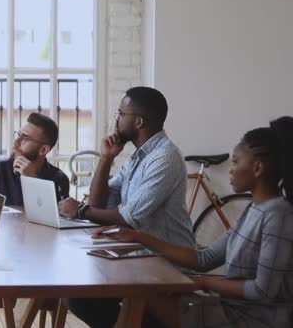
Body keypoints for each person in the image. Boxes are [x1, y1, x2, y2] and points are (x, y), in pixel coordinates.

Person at [99, 116, 293, 328]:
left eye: (236, 161)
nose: (231, 169)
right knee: (137, 289)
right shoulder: (254, 209)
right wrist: (138, 237)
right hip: (231, 307)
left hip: (253, 319)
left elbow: (262, 291)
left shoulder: (278, 215)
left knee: (140, 291)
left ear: (257, 168)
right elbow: (205, 258)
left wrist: (202, 282)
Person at [61, 87, 195, 328]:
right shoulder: (138, 157)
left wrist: (79, 210)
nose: (116, 119)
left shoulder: (165, 158)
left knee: (84, 298)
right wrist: (106, 158)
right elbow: (98, 204)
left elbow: (128, 218)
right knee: (79, 295)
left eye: (121, 113)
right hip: (137, 257)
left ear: (139, 121)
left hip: (166, 263)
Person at [0, 112, 69, 206]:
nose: (16, 142)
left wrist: (32, 180)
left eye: (25, 138)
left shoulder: (59, 178)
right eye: (18, 135)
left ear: (43, 150)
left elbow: (55, 216)